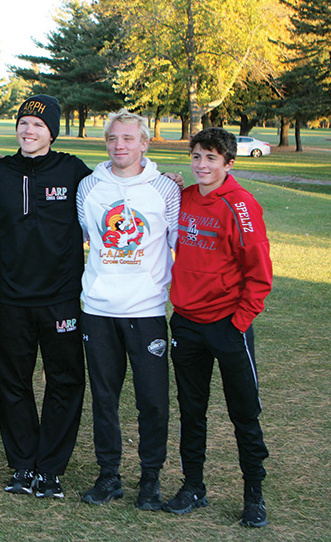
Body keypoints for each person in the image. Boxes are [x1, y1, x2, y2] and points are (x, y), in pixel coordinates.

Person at [162, 127, 272, 528]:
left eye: (211, 158)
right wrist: (169, 182)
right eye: (196, 157)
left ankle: (254, 494)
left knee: (244, 413)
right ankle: (193, 486)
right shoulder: (185, 197)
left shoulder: (241, 205)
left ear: (228, 163)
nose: (202, 165)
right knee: (192, 411)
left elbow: (260, 275)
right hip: (187, 324)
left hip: (227, 325)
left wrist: (237, 323)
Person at [0, 95, 91, 499]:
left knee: (65, 381)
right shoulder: (1, 172)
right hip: (13, 296)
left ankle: (50, 469)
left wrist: (162, 179)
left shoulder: (73, 171)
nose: (29, 131)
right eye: (24, 123)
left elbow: (118, 192)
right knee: (13, 381)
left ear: (52, 132)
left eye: (38, 125)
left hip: (61, 297)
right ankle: (23, 464)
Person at [76, 109, 180, 510]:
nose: (119, 146)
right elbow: (87, 237)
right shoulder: (90, 187)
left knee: (152, 400)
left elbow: (177, 242)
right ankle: (109, 476)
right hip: (99, 309)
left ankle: (150, 478)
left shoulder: (164, 189)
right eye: (113, 138)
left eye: (128, 138)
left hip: (146, 310)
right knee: (104, 398)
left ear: (144, 143)